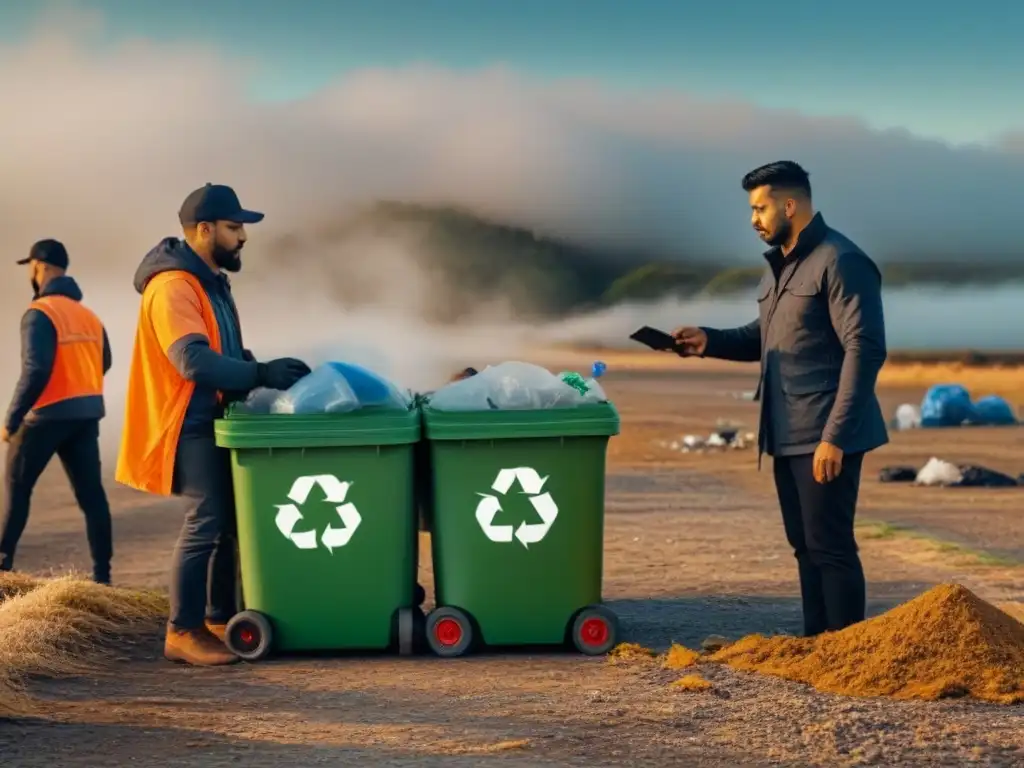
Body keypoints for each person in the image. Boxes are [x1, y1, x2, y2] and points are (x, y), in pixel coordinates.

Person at [671, 161, 888, 637]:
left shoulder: (841, 260)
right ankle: (818, 647)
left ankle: (849, 653)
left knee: (830, 546)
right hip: (784, 430)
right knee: (805, 547)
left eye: (760, 207)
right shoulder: (780, 269)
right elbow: (765, 337)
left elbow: (865, 347)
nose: (754, 219)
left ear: (790, 205)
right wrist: (707, 340)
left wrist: (836, 436)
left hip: (823, 432)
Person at [116, 184, 311, 666]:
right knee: (206, 519)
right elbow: (193, 361)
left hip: (213, 417)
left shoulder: (210, 283)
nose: (243, 236)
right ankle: (181, 631)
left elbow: (221, 353)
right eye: (234, 226)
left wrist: (258, 367)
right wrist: (259, 373)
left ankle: (219, 618)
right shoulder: (173, 286)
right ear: (204, 230)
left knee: (226, 522)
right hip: (185, 421)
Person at [0, 240, 114, 584]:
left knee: (17, 488)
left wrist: (12, 419)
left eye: (31, 267)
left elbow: (36, 370)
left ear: (41, 266)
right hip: (85, 415)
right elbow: (104, 361)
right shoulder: (89, 316)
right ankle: (102, 576)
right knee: (92, 496)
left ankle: (2, 569)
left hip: (45, 416)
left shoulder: (40, 313)